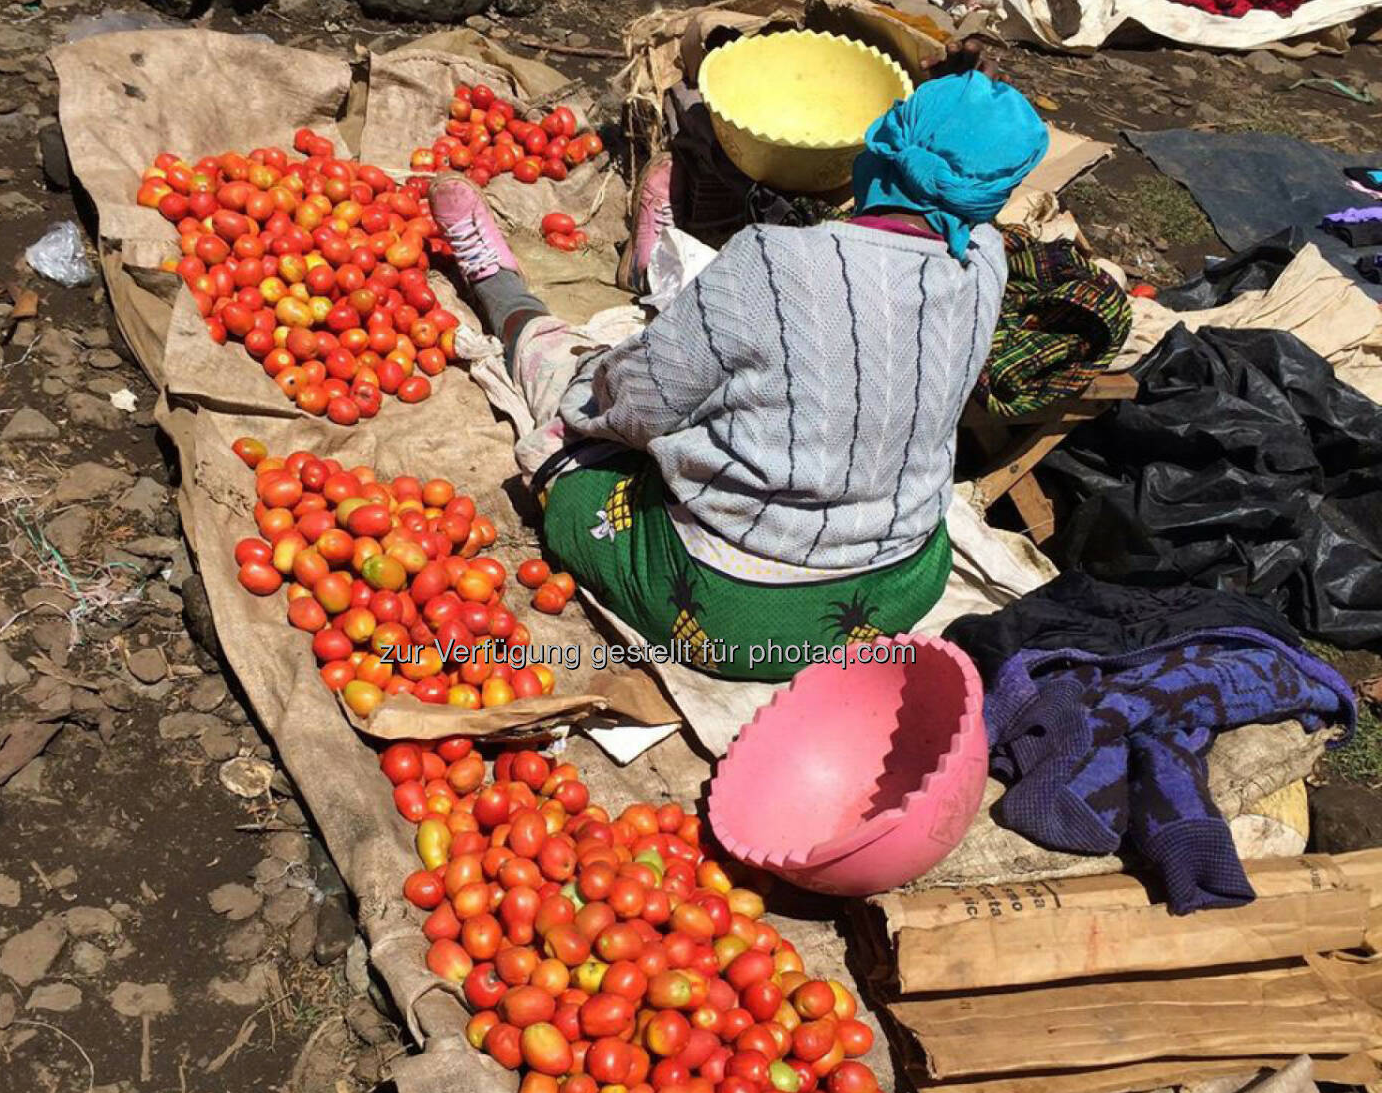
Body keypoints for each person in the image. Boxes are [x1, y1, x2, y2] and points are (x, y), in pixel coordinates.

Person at [429, 70, 1049, 681]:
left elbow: (634, 406)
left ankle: (502, 294)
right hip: (900, 583)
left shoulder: (774, 261)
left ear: (882, 141)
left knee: (572, 414)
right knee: (741, 358)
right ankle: (658, 270)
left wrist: (587, 391)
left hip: (738, 617)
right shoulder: (986, 257)